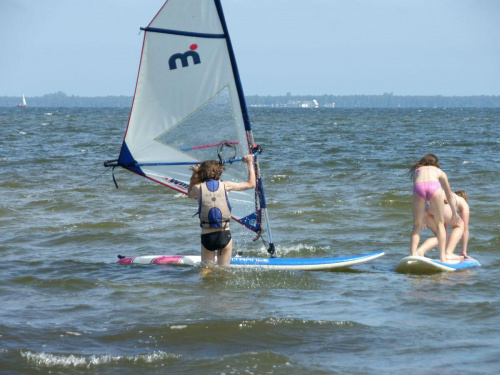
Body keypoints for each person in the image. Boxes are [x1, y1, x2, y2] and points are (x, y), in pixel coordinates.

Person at [187, 155, 255, 267]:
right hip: (224, 235)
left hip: (207, 237)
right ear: (219, 172)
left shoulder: (197, 188)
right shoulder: (226, 185)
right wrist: (249, 163)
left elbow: (189, 195)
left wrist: (195, 173)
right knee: (224, 273)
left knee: (206, 271)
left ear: (202, 173)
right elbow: (251, 184)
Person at [409, 153, 462, 263]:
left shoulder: (417, 171)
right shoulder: (439, 172)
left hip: (419, 189)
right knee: (440, 224)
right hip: (434, 187)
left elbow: (417, 187)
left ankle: (412, 254)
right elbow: (448, 194)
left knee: (416, 225)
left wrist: (423, 214)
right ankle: (443, 257)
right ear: (436, 163)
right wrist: (454, 212)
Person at [416, 190, 470, 260]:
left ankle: (420, 251)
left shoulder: (451, 197)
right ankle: (449, 253)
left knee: (441, 235)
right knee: (460, 225)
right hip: (438, 203)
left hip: (425, 205)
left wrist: (443, 252)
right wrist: (463, 251)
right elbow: (465, 229)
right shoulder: (463, 202)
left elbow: (444, 230)